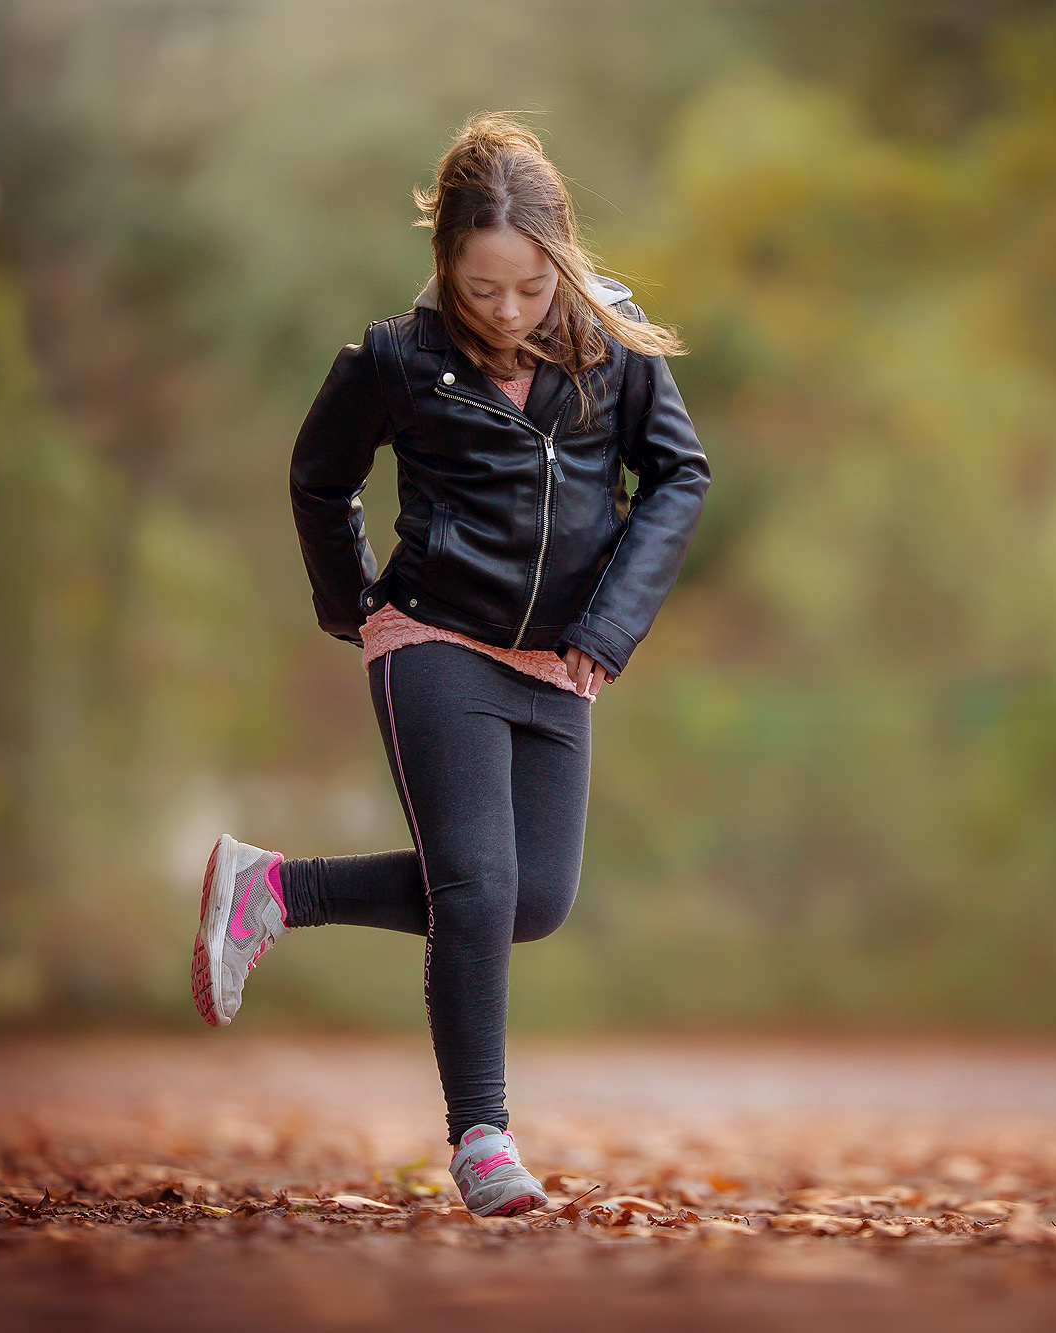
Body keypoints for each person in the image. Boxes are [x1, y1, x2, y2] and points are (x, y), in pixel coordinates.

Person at [188, 114, 708, 1217]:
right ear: (445, 270)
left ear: (558, 260)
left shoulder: (612, 346)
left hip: (560, 660)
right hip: (431, 637)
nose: (506, 314)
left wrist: (607, 630)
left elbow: (678, 479)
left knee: (532, 901)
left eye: (526, 289)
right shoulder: (396, 359)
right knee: (475, 885)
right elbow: (318, 479)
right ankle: (483, 1140)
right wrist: (355, 609)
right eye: (480, 291)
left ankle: (276, 888)